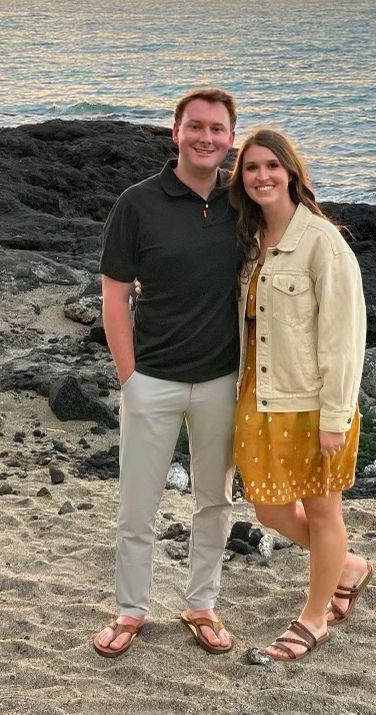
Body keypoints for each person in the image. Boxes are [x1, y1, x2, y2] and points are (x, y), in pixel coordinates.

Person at [92, 88, 241, 658]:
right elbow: (114, 295)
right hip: (151, 379)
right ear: (175, 132)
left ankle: (201, 604)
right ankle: (130, 610)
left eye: (217, 128)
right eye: (195, 126)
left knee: (215, 501)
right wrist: (128, 376)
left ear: (231, 138)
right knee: (137, 504)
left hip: (223, 379)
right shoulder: (137, 203)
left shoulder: (243, 201)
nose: (206, 137)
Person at [228, 127, 373, 662]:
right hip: (259, 395)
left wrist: (336, 415)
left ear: (291, 172)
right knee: (268, 508)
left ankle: (314, 618)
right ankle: (348, 567)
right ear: (241, 179)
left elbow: (345, 336)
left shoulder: (322, 242)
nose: (262, 176)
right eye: (251, 167)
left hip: (313, 404)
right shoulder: (248, 240)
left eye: (272, 165)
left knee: (322, 509)